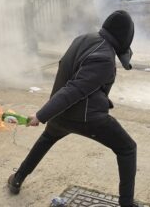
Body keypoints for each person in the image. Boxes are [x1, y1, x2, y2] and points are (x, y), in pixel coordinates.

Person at [7, 11, 140, 207]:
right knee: (128, 148)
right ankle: (126, 203)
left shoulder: (84, 38)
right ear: (125, 37)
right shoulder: (104, 57)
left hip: (61, 113)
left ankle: (17, 178)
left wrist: (51, 113)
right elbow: (74, 89)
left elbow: (64, 73)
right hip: (87, 118)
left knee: (47, 138)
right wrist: (41, 115)